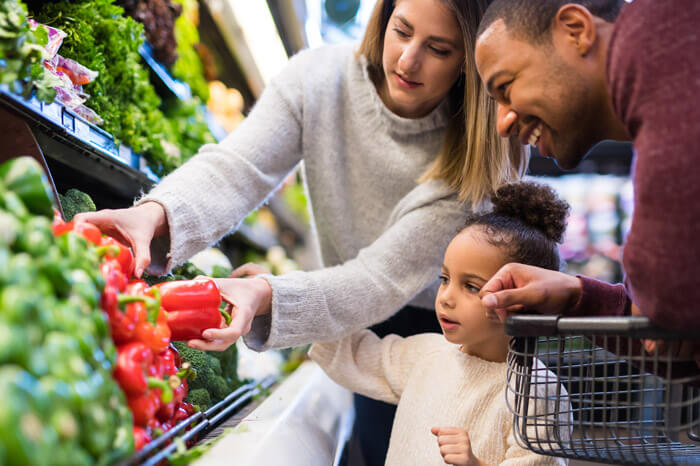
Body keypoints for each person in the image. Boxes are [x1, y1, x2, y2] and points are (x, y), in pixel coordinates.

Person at [75, 0, 526, 463]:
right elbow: (240, 167)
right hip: (355, 321)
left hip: (447, 330)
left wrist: (268, 293)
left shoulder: (472, 152)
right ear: (383, 17)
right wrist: (157, 213)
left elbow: (378, 279)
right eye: (402, 31)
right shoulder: (320, 77)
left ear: (468, 63)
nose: (409, 60)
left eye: (438, 49)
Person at [472, 0, 700, 339]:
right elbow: (666, 328)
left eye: (505, 87)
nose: (503, 124)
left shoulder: (668, 45)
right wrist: (578, 296)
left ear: (576, 30)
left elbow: (667, 296)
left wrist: (655, 306)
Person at [309, 181, 571, 466]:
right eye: (444, 279)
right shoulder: (426, 355)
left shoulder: (537, 392)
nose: (445, 297)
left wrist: (475, 463)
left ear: (521, 299)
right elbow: (355, 352)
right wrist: (279, 301)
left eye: (471, 286)